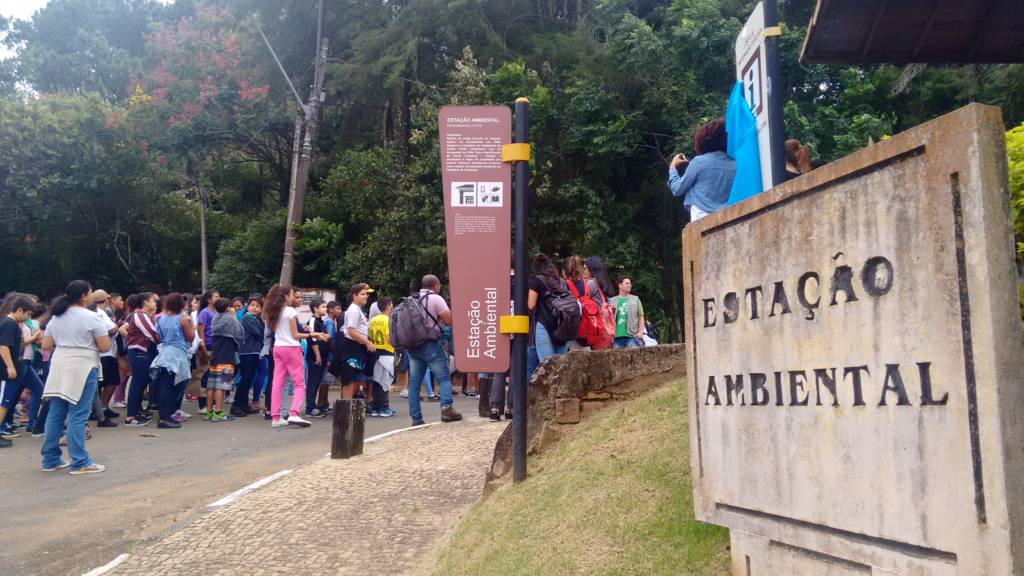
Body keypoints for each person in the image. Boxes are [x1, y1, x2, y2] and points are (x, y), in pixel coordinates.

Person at [40, 280, 110, 474]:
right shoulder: (92, 317)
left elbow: (46, 345)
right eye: (89, 293)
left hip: (60, 364)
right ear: (83, 296)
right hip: (83, 365)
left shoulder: (57, 317)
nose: (91, 296)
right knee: (78, 415)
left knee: (56, 413)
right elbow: (105, 347)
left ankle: (50, 458)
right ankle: (80, 461)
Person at [403, 275, 462, 426]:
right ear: (436, 285)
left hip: (413, 347)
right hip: (430, 344)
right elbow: (449, 320)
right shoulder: (436, 299)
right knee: (443, 378)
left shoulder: (411, 300)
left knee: (414, 384)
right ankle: (446, 409)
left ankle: (416, 419)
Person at [264, 285, 322, 428]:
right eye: (291, 295)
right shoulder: (289, 311)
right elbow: (295, 335)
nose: (293, 297)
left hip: (278, 348)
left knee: (277, 383)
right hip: (291, 348)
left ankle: (276, 417)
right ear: (284, 296)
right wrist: (313, 334)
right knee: (299, 383)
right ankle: (294, 413)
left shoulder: (273, 311)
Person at [668, 117, 736, 222]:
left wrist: (672, 168)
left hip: (701, 219)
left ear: (702, 141)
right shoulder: (735, 164)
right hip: (727, 218)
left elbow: (677, 189)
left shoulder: (698, 162)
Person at [148, 293, 195, 429]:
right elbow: (191, 337)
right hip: (177, 354)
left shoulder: (162, 319)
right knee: (172, 386)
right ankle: (165, 417)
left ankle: (166, 415)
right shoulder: (183, 319)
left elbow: (158, 337)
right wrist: (192, 326)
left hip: (165, 353)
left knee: (165, 385)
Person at [0, 294, 36, 448]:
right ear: (19, 309)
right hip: (6, 372)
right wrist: (10, 366)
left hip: (12, 370)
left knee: (5, 402)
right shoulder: (9, 324)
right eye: (27, 314)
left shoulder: (13, 324)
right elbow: (3, 346)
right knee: (3, 403)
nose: (28, 318)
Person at [528, 254, 569, 377]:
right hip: (562, 327)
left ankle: (550, 395)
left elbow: (530, 305)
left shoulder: (536, 281)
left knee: (548, 366)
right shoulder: (561, 281)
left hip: (544, 325)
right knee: (560, 366)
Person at [333, 284, 375, 401]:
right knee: (349, 381)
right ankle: (346, 409)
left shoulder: (357, 310)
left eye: (366, 294)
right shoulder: (353, 310)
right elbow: (351, 331)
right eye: (362, 294)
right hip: (351, 348)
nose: (365, 296)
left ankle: (349, 408)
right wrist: (368, 343)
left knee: (357, 379)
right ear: (354, 296)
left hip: (357, 348)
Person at [124, 292, 160, 427]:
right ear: (145, 302)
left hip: (142, 352)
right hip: (140, 352)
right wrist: (161, 340)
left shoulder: (143, 315)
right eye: (153, 301)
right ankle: (130, 417)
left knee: (141, 382)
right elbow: (153, 334)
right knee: (138, 383)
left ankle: (135, 413)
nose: (155, 303)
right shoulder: (140, 315)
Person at [89, 290, 119, 428]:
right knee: (107, 382)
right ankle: (100, 411)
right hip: (104, 353)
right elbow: (112, 329)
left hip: (95, 354)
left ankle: (99, 412)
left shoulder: (95, 312)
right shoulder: (101, 313)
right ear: (107, 300)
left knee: (97, 386)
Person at [234, 295, 265, 418]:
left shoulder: (255, 318)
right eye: (252, 305)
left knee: (249, 379)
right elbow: (259, 333)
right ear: (248, 306)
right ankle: (236, 406)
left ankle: (244, 405)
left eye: (257, 306)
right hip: (247, 352)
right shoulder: (248, 318)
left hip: (254, 352)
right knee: (245, 379)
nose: (254, 308)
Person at [367, 297, 395, 417]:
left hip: (374, 352)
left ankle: (375, 407)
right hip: (386, 352)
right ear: (389, 306)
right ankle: (384, 407)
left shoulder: (373, 320)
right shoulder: (388, 320)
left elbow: (368, 336)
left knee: (376, 380)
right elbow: (389, 338)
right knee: (384, 381)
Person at [304, 297, 331, 417]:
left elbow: (325, 337)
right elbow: (312, 339)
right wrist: (317, 355)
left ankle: (313, 406)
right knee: (313, 382)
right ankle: (309, 408)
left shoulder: (321, 321)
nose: (325, 309)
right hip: (315, 356)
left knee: (317, 381)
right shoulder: (313, 321)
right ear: (315, 309)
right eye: (323, 306)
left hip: (323, 356)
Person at [195, 290, 219, 414]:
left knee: (213, 375)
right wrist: (203, 349)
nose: (218, 298)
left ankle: (213, 402)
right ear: (209, 300)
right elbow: (201, 332)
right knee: (204, 375)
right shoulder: (204, 313)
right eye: (216, 297)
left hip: (216, 346)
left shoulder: (217, 312)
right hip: (207, 346)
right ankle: (202, 404)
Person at [610, 276, 645, 348]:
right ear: (620, 285)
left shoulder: (636, 299)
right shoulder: (611, 301)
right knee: (617, 359)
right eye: (627, 283)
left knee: (635, 358)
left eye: (630, 284)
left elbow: (641, 317)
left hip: (632, 336)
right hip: (616, 337)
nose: (629, 285)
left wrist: (641, 332)